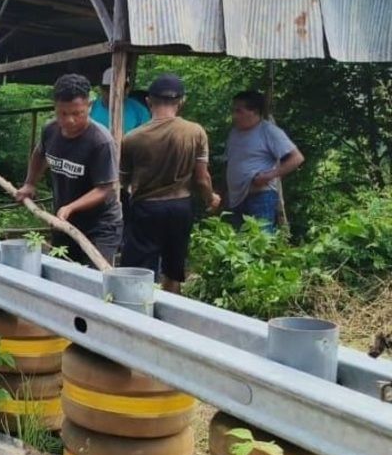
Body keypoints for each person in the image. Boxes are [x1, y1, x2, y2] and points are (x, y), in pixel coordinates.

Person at [120, 74, 221, 294]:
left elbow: (123, 180)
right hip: (180, 208)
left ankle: (138, 316)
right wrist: (211, 198)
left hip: (146, 209)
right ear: (181, 101)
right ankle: (169, 321)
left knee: (137, 271)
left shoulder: (132, 138)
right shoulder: (195, 132)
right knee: (173, 270)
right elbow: (202, 178)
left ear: (148, 101)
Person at [16, 73, 123, 266]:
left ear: (89, 106)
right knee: (61, 272)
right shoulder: (50, 130)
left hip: (100, 225)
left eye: (77, 113)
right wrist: (30, 184)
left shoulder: (100, 141)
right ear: (55, 107)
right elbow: (39, 153)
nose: (70, 120)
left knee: (93, 278)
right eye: (63, 113)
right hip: (64, 220)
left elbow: (105, 188)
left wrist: (71, 207)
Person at [224, 90, 304, 232]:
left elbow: (297, 158)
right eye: (233, 111)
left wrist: (269, 175)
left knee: (260, 241)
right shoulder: (235, 132)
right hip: (236, 198)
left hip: (260, 197)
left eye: (239, 111)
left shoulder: (268, 131)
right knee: (238, 246)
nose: (234, 115)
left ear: (254, 111)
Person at [91, 67, 151, 134]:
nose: (112, 94)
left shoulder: (139, 111)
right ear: (101, 89)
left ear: (126, 90)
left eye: (116, 91)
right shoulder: (91, 108)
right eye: (108, 90)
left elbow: (146, 136)